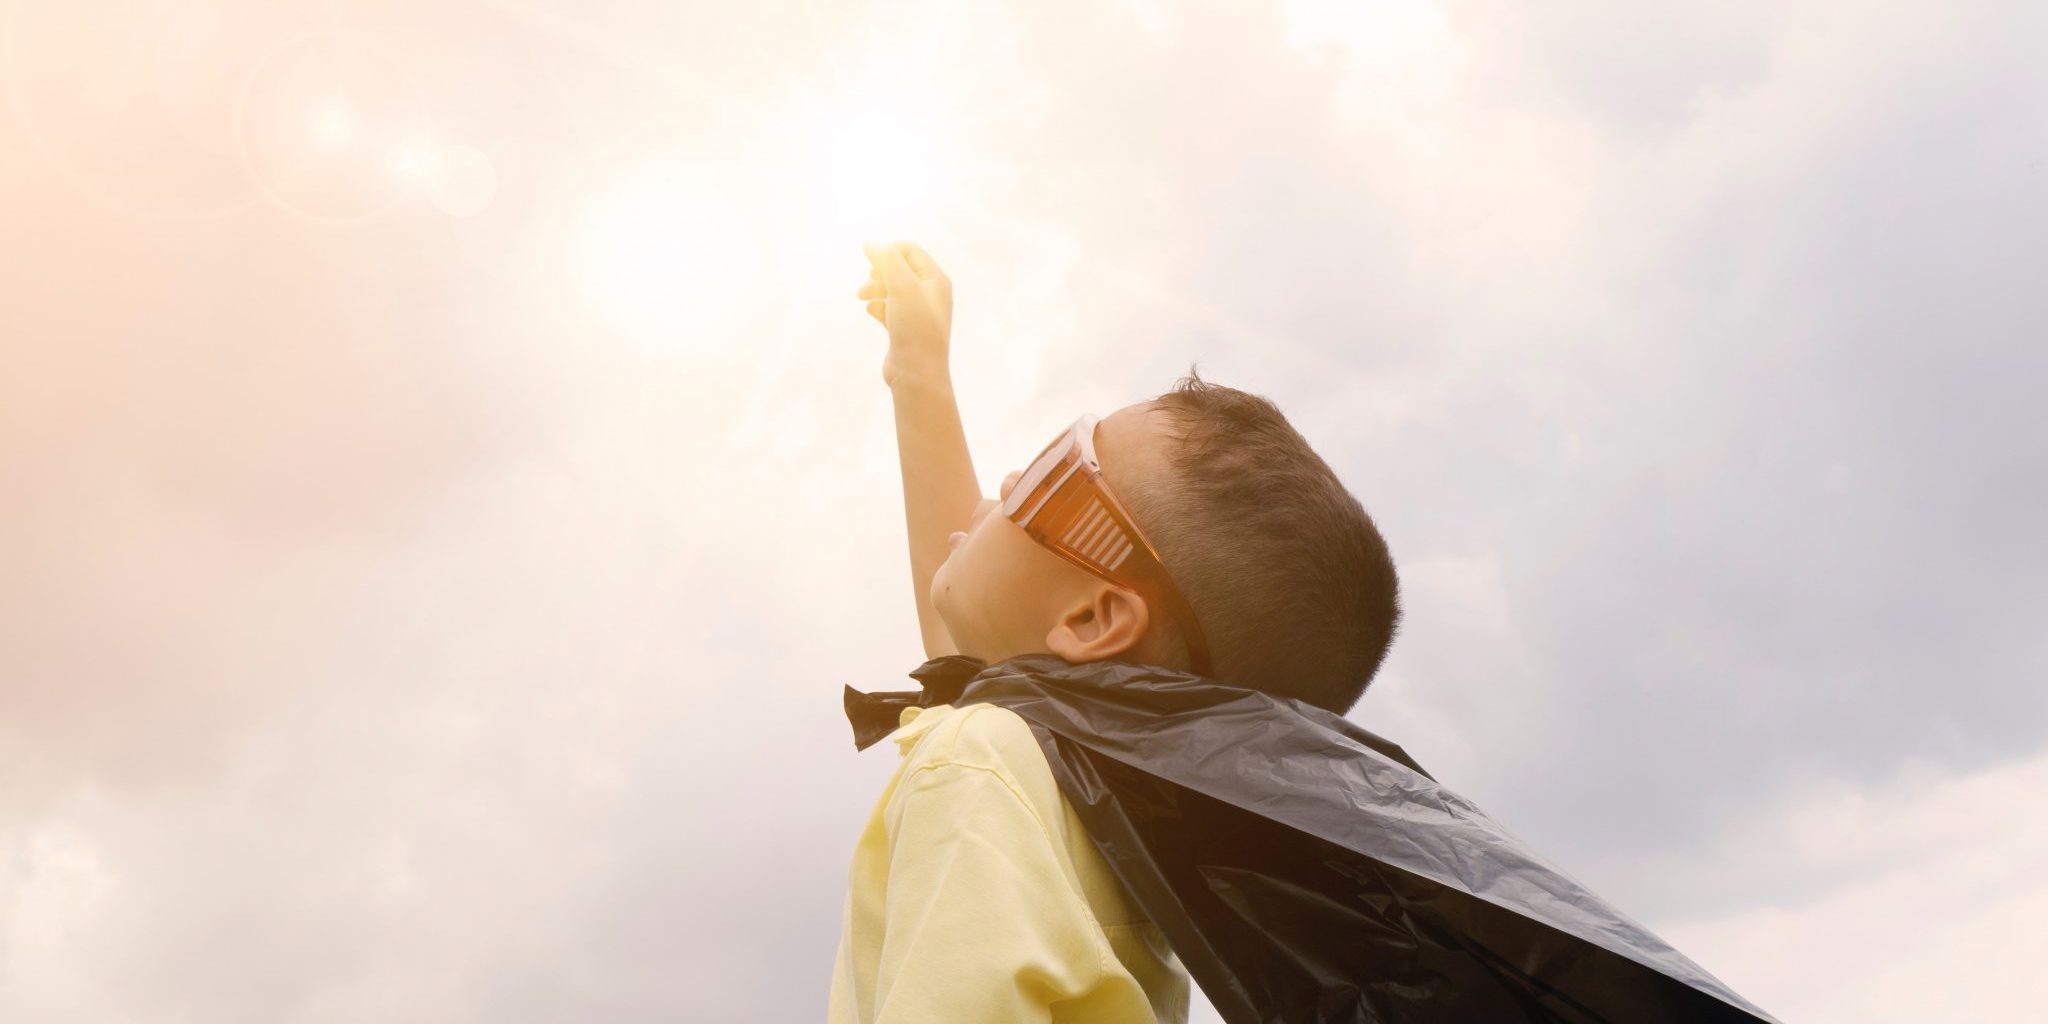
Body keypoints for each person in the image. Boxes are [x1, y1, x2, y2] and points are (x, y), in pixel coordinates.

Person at [827, 241, 1402, 1024]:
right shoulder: (1104, 809)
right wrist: (919, 367)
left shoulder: (983, 762)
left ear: (1094, 618)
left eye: (1051, 472)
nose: (1006, 483)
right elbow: (963, 638)